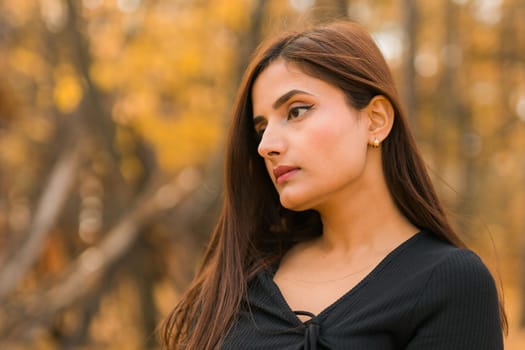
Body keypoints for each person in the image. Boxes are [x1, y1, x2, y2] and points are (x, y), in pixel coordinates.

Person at [161, 21, 506, 349]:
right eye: (260, 128)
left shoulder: (450, 283)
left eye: (296, 111)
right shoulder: (239, 280)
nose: (267, 145)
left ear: (376, 121)